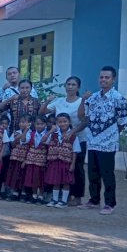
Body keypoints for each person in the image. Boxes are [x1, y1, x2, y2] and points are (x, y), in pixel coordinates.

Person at [73, 66, 127, 215]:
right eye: (101, 77)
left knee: (107, 173)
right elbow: (83, 116)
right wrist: (83, 99)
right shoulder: (94, 97)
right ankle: (94, 200)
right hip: (93, 141)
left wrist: (110, 135)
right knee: (93, 172)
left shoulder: (119, 99)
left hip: (108, 143)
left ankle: (110, 203)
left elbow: (122, 123)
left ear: (113, 79)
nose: (103, 80)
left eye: (107, 77)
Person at [41, 76, 86, 206]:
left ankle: (76, 196)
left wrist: (72, 132)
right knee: (57, 167)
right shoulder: (59, 101)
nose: (70, 87)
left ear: (78, 87)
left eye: (73, 85)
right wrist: (47, 101)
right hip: (58, 141)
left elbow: (85, 120)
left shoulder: (81, 101)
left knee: (76, 168)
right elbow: (43, 112)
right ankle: (57, 196)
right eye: (68, 84)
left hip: (77, 138)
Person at [44, 113, 80, 208]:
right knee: (55, 181)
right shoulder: (54, 134)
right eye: (60, 122)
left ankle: (63, 201)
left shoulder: (73, 136)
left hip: (66, 162)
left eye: (65, 121)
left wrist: (73, 164)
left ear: (69, 122)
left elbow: (75, 151)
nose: (62, 124)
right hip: (55, 161)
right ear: (56, 123)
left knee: (66, 182)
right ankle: (55, 200)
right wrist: (51, 131)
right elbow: (43, 141)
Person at [22, 115, 50, 204]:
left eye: (42, 124)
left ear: (45, 125)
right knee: (33, 178)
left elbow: (46, 142)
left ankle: (40, 196)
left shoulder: (48, 134)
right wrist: (26, 130)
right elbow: (23, 140)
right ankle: (34, 195)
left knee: (41, 178)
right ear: (34, 124)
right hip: (31, 159)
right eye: (37, 124)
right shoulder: (31, 133)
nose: (39, 126)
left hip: (42, 160)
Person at [4, 117, 31, 201]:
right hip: (15, 157)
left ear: (29, 123)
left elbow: (23, 140)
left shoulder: (30, 133)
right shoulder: (15, 132)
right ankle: (14, 192)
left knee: (23, 175)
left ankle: (23, 192)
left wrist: (26, 130)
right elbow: (12, 144)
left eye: (24, 122)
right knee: (15, 175)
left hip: (24, 158)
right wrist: (16, 138)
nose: (22, 124)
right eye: (20, 122)